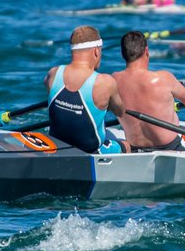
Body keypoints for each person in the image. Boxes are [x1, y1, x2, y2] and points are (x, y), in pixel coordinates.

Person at [111, 31, 185, 151]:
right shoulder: (163, 78)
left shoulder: (113, 80)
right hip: (170, 147)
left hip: (135, 147)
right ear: (146, 51)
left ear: (123, 54)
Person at [44, 25, 128, 154]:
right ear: (96, 51)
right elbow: (120, 112)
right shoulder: (104, 82)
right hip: (91, 151)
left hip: (57, 145)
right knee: (126, 145)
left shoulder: (53, 73)